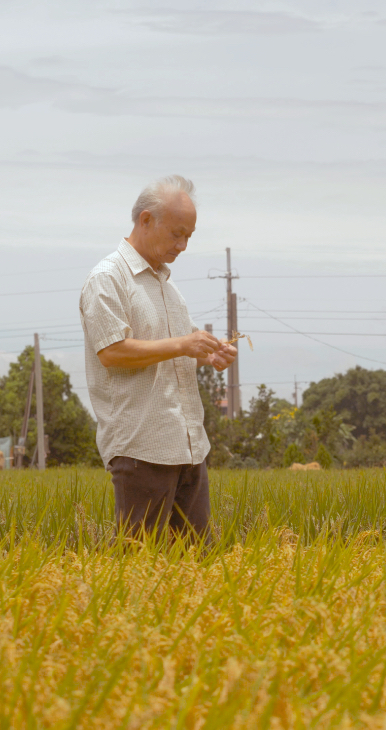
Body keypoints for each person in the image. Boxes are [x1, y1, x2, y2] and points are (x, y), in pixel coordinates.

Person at [79, 175, 237, 540]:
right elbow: (112, 352)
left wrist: (209, 354)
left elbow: (177, 348)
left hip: (188, 446)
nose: (182, 245)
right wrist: (184, 345)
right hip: (141, 449)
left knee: (199, 565)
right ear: (145, 220)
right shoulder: (108, 279)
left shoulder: (167, 285)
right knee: (139, 570)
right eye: (176, 234)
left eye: (189, 237)